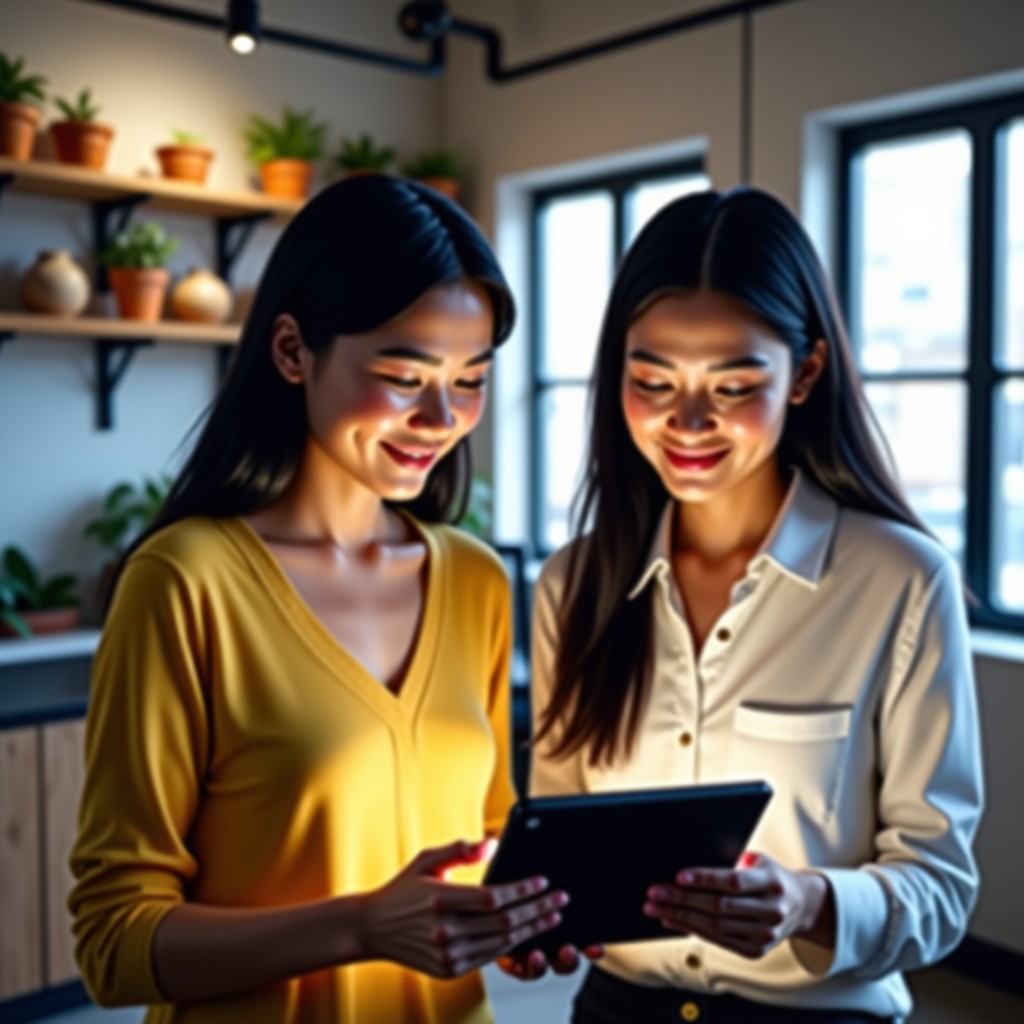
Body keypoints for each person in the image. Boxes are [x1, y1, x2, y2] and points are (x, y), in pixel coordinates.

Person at [68, 175, 570, 1024]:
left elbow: (484, 842)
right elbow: (114, 942)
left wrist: (519, 918)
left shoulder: (477, 581)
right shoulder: (184, 582)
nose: (442, 417)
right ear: (295, 350)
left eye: (471, 379)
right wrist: (364, 926)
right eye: (404, 375)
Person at [522, 187, 983, 1023]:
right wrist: (541, 915)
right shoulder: (573, 586)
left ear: (804, 373)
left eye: (733, 386)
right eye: (651, 379)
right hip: (617, 1009)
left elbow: (941, 887)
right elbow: (559, 838)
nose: (686, 420)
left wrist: (809, 901)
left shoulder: (902, 581)